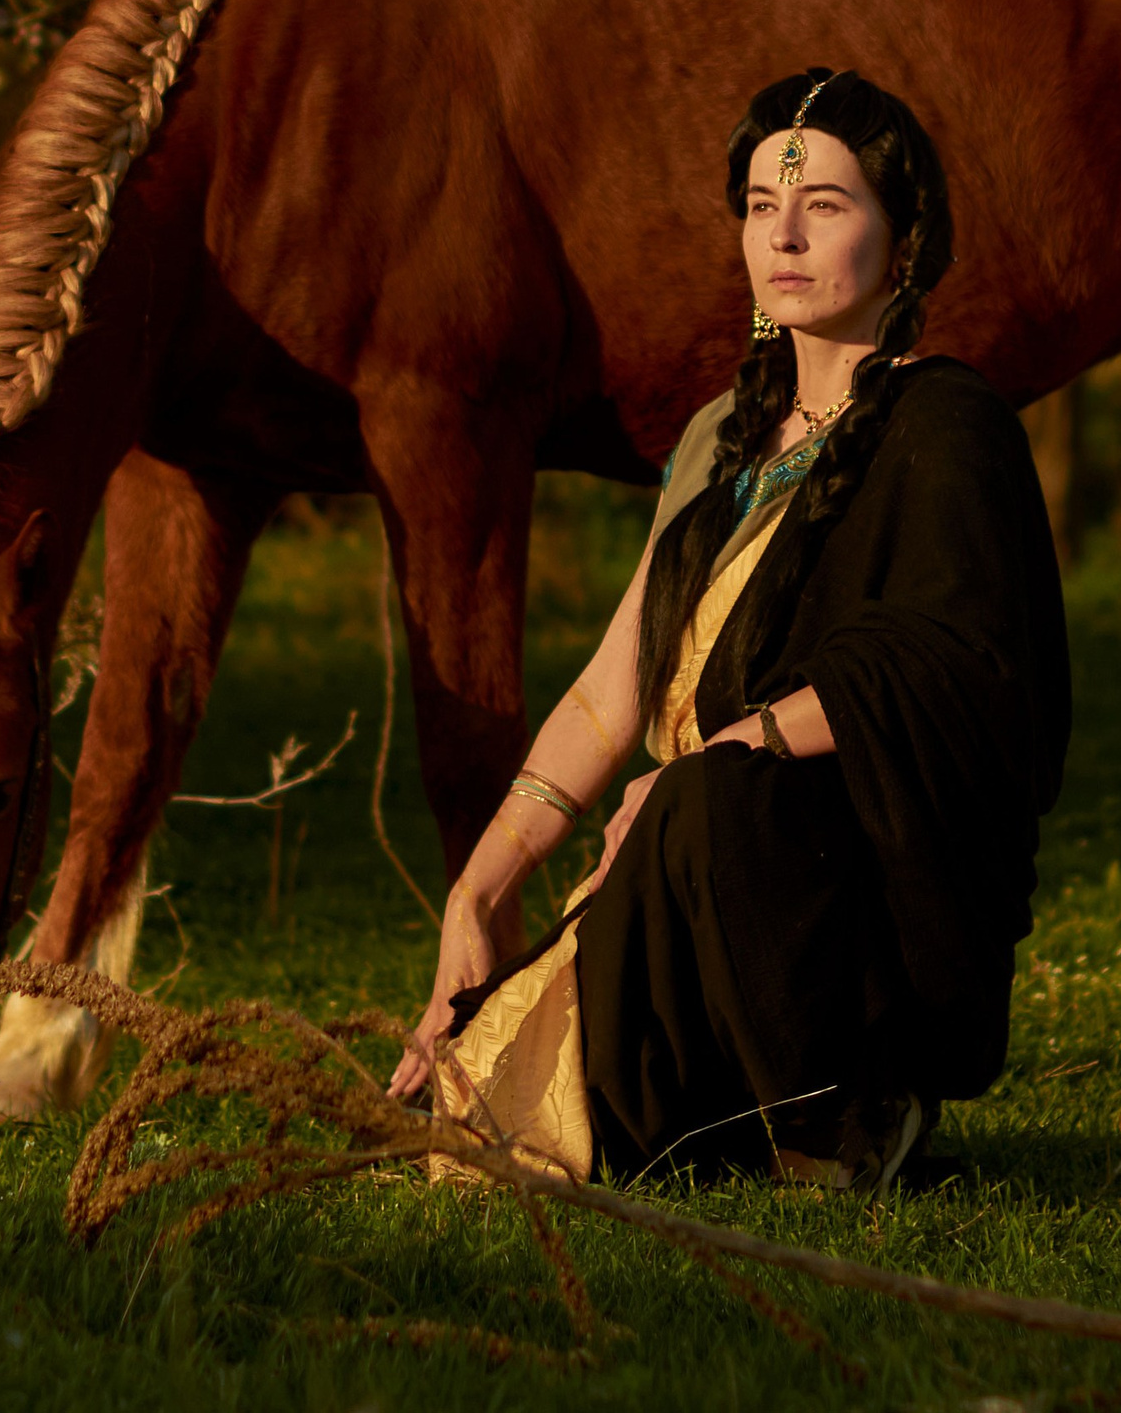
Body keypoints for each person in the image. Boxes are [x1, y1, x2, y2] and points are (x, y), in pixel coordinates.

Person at [387, 66, 1070, 1191]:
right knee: (478, 1118)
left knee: (710, 806)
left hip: (840, 889)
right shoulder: (723, 434)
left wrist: (715, 762)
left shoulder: (950, 427)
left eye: (824, 206)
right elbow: (612, 691)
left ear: (904, 241)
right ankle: (729, 1116)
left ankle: (850, 1112)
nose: (783, 238)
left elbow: (953, 666)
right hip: (686, 860)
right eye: (761, 207)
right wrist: (482, 887)